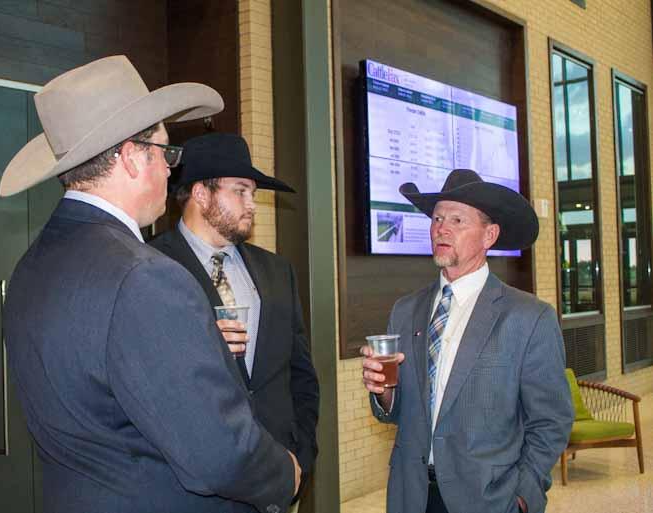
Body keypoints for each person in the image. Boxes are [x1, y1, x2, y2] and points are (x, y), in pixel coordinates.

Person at [0, 56, 299, 513]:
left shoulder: (29, 268)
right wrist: (285, 474)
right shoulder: (144, 276)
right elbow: (215, 455)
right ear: (131, 157)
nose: (169, 170)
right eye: (165, 152)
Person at [361, 169, 573, 513]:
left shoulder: (529, 318)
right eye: (438, 218)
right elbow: (399, 413)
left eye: (457, 220)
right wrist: (384, 391)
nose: (441, 228)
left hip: (489, 499)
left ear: (489, 235)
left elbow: (552, 420)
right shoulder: (405, 311)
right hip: (411, 495)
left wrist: (522, 494)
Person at [149, 133, 320, 510]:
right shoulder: (150, 269)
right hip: (193, 490)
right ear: (201, 194)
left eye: (252, 193)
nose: (252, 205)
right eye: (240, 191)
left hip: (277, 477)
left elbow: (301, 373)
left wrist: (302, 455)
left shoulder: (278, 271)